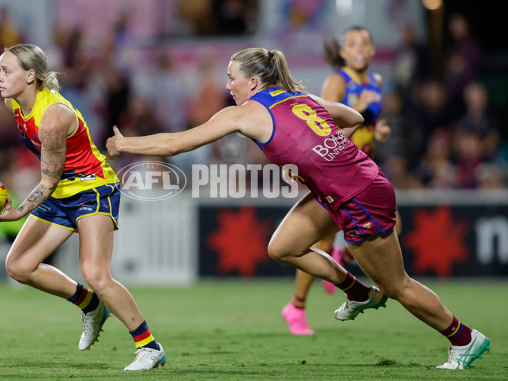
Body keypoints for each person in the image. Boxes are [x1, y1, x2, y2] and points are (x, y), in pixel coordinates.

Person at [106, 47, 490, 370]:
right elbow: (354, 119)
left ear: (253, 82)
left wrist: (126, 146)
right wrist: (322, 156)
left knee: (396, 285)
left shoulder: (246, 112)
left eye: (231, 77)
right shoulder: (299, 97)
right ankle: (356, 292)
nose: (227, 85)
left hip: (358, 195)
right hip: (349, 187)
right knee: (282, 247)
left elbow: (176, 143)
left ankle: (464, 338)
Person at [0, 44, 166, 371]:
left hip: (92, 191)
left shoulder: (53, 117)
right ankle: (91, 305)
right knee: (18, 266)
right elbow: (52, 182)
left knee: (96, 273)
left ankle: (149, 346)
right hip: (62, 193)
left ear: (30, 76)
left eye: (6, 71)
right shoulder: (15, 102)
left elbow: (48, 182)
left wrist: (17, 212)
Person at [282, 25, 397, 335]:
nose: (359, 48)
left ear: (373, 50)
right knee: (321, 240)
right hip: (336, 171)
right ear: (344, 52)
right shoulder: (337, 81)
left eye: (364, 42)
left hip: (362, 169)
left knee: (327, 239)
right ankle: (298, 304)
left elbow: (369, 128)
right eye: (352, 43)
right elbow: (324, 122)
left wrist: (379, 132)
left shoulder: (376, 81)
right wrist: (360, 111)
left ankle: (326, 275)